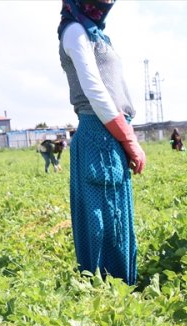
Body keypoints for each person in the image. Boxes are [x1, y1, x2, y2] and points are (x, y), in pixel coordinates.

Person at [58, 0, 145, 285]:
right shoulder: (74, 31)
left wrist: (126, 134)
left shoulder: (96, 34)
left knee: (117, 217)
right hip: (99, 133)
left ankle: (121, 291)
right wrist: (129, 138)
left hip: (112, 133)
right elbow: (95, 92)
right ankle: (103, 294)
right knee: (102, 222)